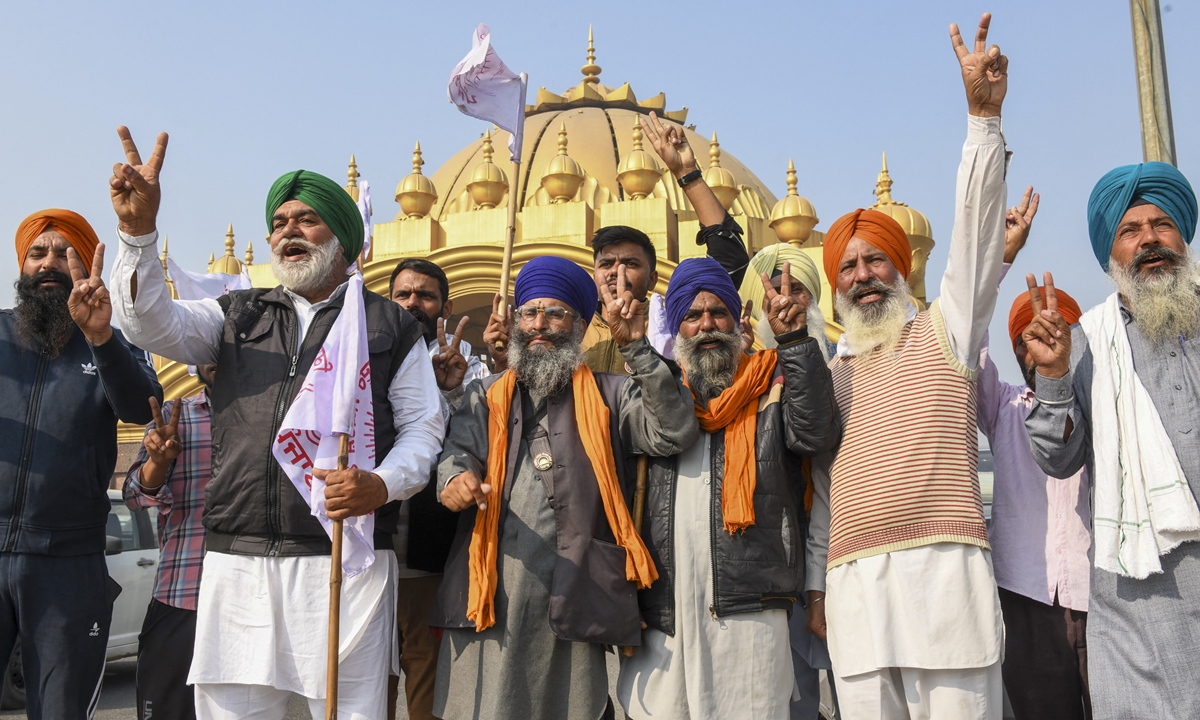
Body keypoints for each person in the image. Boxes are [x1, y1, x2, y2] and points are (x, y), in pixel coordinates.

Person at [106, 127, 445, 719]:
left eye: (307, 220)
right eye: (280, 221)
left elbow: (423, 428)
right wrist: (139, 235)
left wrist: (381, 486)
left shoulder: (388, 323)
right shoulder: (237, 314)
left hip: (345, 558)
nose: (289, 229)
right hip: (237, 562)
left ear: (341, 238)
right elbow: (147, 323)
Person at [804, 14, 1011, 719]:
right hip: (855, 593)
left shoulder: (947, 332)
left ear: (902, 268)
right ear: (836, 285)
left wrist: (982, 122)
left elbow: (976, 239)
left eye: (876, 260)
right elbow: (823, 496)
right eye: (849, 265)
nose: (863, 274)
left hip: (945, 582)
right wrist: (818, 587)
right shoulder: (832, 376)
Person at [430, 256, 699, 720]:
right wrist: (454, 479)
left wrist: (636, 348)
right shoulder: (485, 395)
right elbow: (457, 451)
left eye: (555, 313)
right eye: (530, 313)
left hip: (575, 591)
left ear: (577, 325)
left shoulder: (614, 395)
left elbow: (673, 431)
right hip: (492, 590)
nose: (540, 325)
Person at [616, 256, 840, 719]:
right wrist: (639, 350)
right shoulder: (650, 393)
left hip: (751, 612)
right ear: (677, 328)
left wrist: (794, 342)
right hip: (668, 612)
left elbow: (817, 435)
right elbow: (669, 434)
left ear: (738, 320)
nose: (707, 326)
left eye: (718, 313)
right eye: (693, 316)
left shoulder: (773, 386)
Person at [1022, 160, 1200, 719]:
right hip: (1141, 599)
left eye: (1161, 225)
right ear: (1111, 255)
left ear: (1183, 236)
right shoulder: (1086, 343)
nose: (1149, 239)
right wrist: (1052, 377)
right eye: (1130, 231)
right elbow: (1057, 457)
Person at [0, 209, 161, 720]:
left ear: (85, 266)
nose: (49, 264)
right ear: (21, 265)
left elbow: (143, 409)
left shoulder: (114, 342)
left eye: (64, 253)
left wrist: (101, 338)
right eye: (37, 253)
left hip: (67, 561)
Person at [486, 111, 750, 375]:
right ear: (595, 274)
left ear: (652, 278)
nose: (616, 271)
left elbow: (731, 261)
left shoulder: (673, 322)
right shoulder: (569, 328)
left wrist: (686, 172)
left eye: (630, 263)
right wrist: (505, 357)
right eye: (607, 263)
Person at [975, 190, 1093, 720]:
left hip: (1104, 595)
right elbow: (962, 341)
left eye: (1054, 332)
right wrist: (1000, 259)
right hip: (1024, 596)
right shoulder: (1002, 405)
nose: (1039, 346)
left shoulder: (1102, 400)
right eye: (1028, 338)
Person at [386, 258, 489, 720]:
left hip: (430, 557)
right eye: (403, 294)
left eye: (425, 295)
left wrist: (448, 391)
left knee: (426, 674)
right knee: (366, 677)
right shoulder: (367, 361)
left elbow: (467, 447)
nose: (413, 303)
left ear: (444, 306)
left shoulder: (471, 373)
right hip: (369, 555)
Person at [123, 363, 217, 720]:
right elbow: (133, 495)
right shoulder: (175, 417)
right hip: (183, 596)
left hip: (254, 601)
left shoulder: (281, 417)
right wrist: (159, 463)